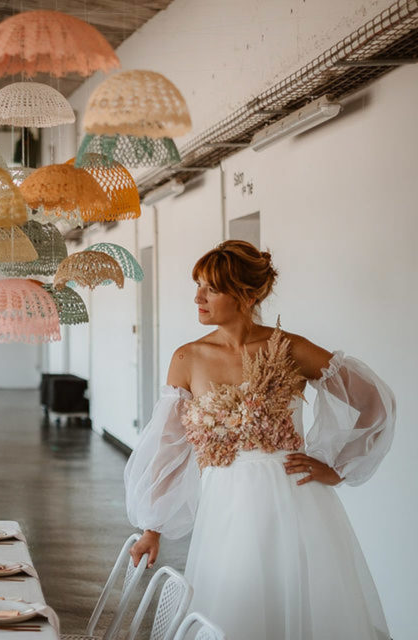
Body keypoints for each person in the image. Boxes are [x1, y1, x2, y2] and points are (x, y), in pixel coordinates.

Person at [124, 241, 394, 639]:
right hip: (226, 504)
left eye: (210, 289)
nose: (197, 297)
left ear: (246, 295)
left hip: (296, 501)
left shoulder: (290, 349)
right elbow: (169, 446)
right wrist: (153, 527)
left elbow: (373, 402)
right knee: (234, 609)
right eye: (197, 285)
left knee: (303, 606)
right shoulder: (188, 358)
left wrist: (338, 468)